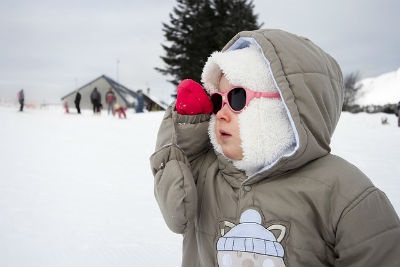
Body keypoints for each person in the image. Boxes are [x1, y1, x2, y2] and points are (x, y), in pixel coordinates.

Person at [150, 29, 400, 267]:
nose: (221, 113)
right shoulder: (205, 173)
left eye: (237, 97)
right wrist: (185, 132)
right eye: (217, 100)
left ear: (288, 109)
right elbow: (176, 211)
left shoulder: (345, 193)